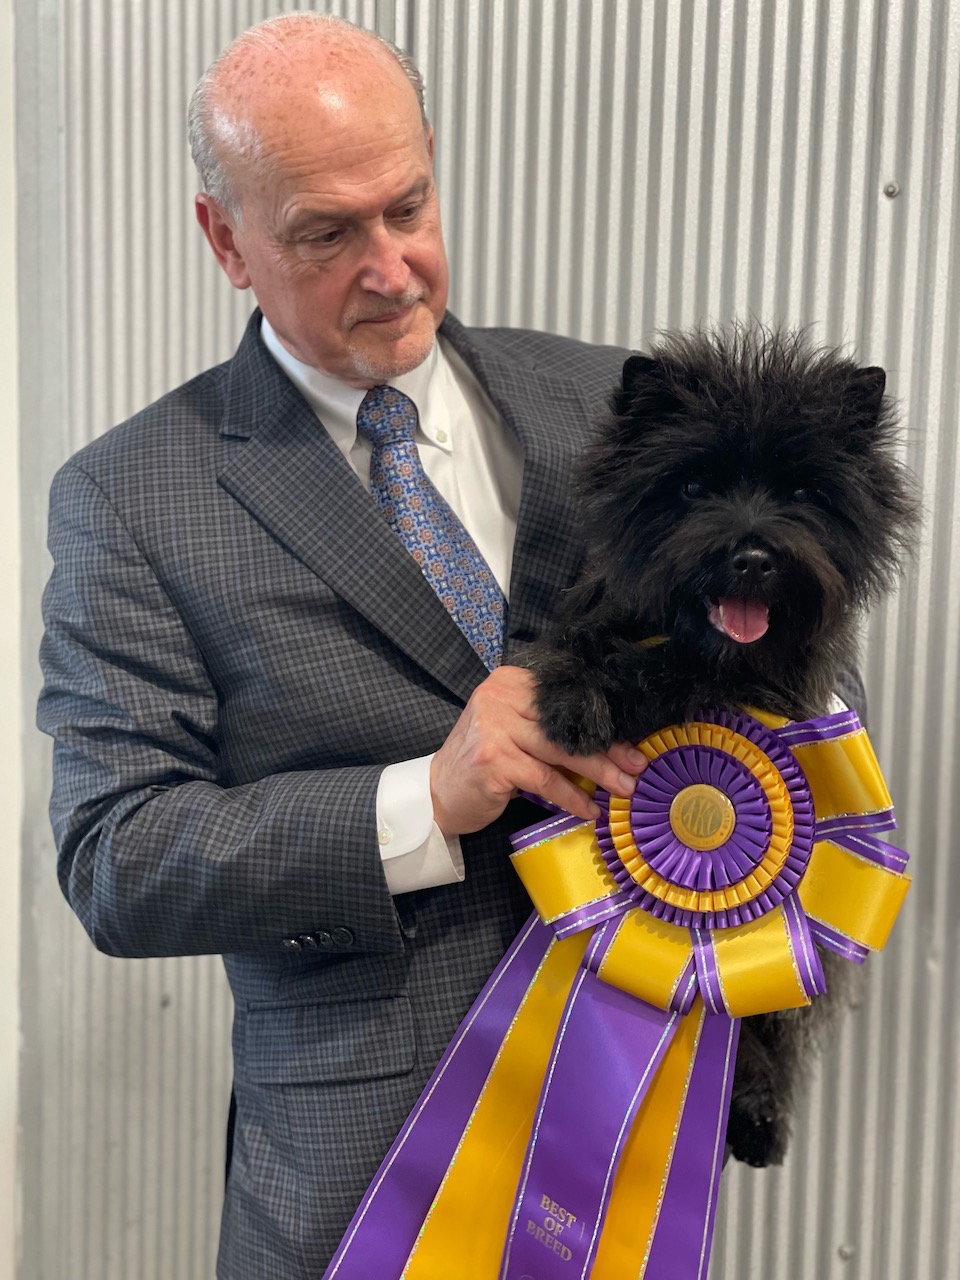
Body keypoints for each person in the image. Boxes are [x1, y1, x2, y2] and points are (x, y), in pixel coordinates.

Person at [37, 13, 647, 1278]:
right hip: (355, 1185)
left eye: (408, 207)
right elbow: (117, 857)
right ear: (226, 242)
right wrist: (426, 797)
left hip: (635, 1137)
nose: (391, 268)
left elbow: (788, 649)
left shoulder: (612, 401)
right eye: (325, 233)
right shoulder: (133, 497)